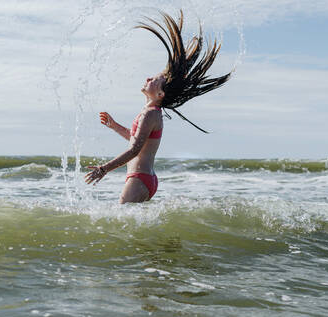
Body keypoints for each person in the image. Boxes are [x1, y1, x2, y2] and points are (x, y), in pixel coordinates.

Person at [85, 10, 232, 203]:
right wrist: (115, 126)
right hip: (145, 179)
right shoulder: (151, 113)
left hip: (139, 178)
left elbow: (135, 150)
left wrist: (104, 169)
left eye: (154, 80)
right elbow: (136, 139)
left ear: (160, 94)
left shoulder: (151, 113)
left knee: (122, 228)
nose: (148, 78)